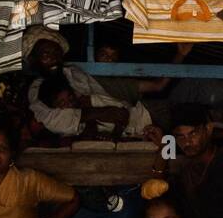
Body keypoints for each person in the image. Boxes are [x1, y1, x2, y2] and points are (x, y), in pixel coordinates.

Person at [24, 26, 156, 140]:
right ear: (33, 59)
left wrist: (92, 115)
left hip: (134, 118)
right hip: (117, 128)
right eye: (45, 54)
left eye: (56, 53)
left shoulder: (73, 73)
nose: (53, 58)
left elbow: (112, 107)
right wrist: (97, 113)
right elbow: (53, 121)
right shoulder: (38, 88)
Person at [36, 72, 158, 141]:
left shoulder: (90, 100)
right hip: (147, 129)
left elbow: (122, 114)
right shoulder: (69, 123)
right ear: (55, 107)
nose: (69, 103)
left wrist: (113, 137)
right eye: (62, 103)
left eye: (70, 97)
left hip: (150, 113)